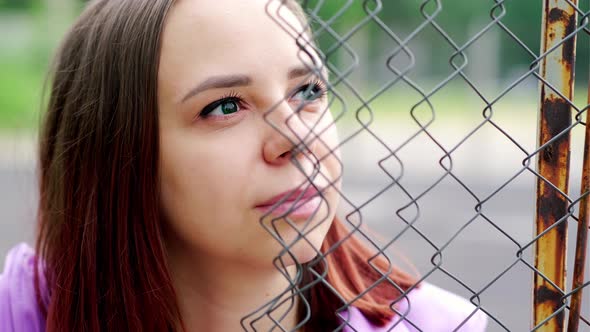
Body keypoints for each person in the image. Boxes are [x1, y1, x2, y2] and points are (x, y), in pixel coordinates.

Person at [0, 0, 488, 331]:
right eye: (226, 107)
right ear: (120, 156)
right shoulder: (24, 312)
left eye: (308, 91)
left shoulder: (435, 326)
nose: (297, 137)